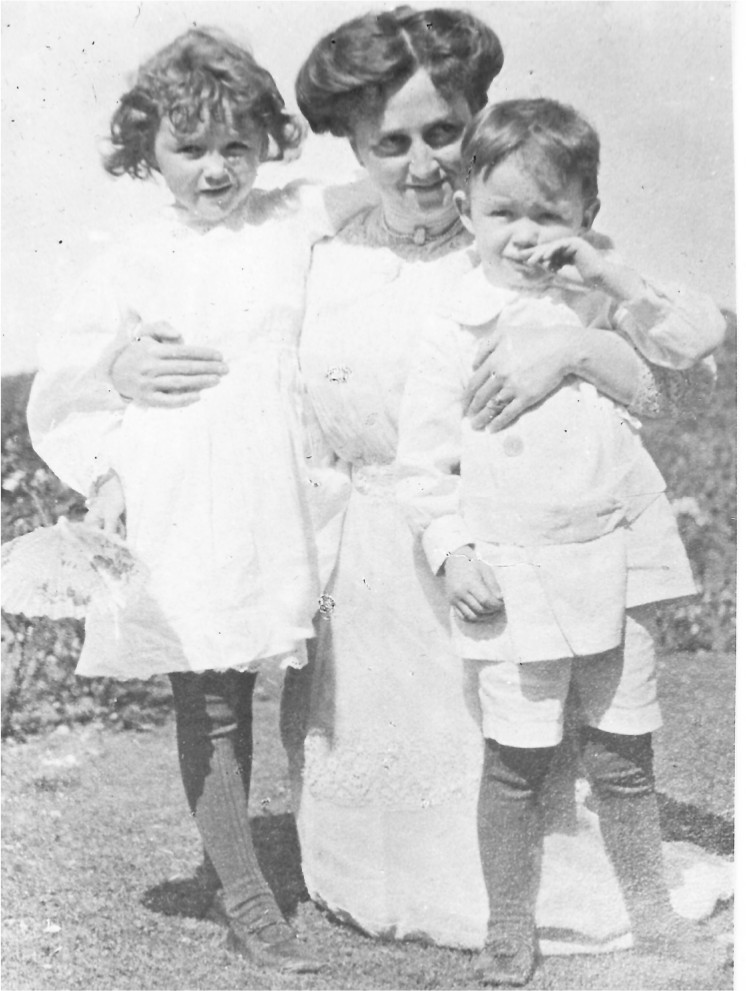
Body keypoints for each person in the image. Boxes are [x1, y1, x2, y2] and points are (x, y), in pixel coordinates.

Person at [105, 4, 726, 959]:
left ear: (478, 121)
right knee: (369, 852)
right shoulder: (318, 246)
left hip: (493, 567)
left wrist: (577, 345)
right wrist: (120, 367)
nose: (423, 164)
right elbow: (201, 296)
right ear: (353, 144)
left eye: (444, 132)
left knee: (509, 773)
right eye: (389, 142)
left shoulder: (527, 244)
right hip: (357, 575)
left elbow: (677, 382)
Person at [26, 26, 376, 974]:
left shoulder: (298, 216)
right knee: (213, 692)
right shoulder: (131, 257)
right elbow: (68, 383)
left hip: (296, 486)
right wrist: (115, 372)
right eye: (190, 148)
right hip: (186, 488)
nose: (217, 169)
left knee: (321, 678)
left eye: (236, 143)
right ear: (149, 154)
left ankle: (349, 860)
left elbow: (401, 181)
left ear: (267, 139)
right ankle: (247, 895)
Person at [395, 97, 725, 986]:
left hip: (618, 555)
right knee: (518, 760)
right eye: (504, 212)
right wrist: (452, 549)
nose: (526, 235)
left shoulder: (601, 301)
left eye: (550, 213)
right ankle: (510, 924)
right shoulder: (451, 325)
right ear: (467, 210)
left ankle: (651, 919)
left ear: (587, 214)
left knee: (622, 755)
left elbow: (698, 346)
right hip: (514, 567)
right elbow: (421, 465)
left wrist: (608, 280)